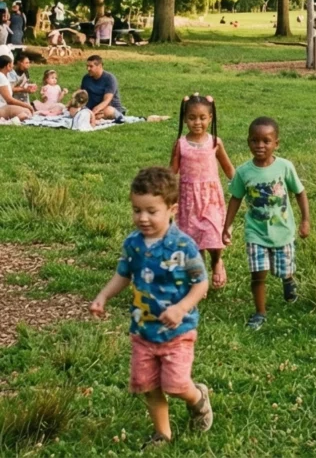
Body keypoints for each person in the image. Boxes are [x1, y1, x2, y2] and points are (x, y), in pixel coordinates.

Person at [90, 167, 213, 447]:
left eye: (151, 211)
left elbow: (201, 284)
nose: (142, 218)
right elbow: (123, 274)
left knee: (177, 384)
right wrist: (103, 296)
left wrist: (182, 308)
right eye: (136, 210)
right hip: (143, 330)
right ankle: (162, 434)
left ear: (172, 209)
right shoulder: (133, 244)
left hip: (177, 330)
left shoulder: (183, 245)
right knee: (148, 386)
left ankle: (197, 399)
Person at [222, 117, 310, 331]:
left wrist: (306, 220)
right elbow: (235, 198)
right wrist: (227, 225)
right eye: (255, 141)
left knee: (282, 270)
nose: (260, 146)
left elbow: (299, 192)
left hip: (283, 231)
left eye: (266, 141)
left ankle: (288, 280)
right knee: (258, 274)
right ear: (248, 142)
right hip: (256, 233)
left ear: (276, 143)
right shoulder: (243, 172)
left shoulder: (284, 167)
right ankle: (260, 312)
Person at [171, 94, 235, 289]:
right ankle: (199, 278)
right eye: (192, 118)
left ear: (210, 118)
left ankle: (217, 262)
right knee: (194, 238)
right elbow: (172, 172)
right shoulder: (180, 144)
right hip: (188, 199)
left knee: (213, 232)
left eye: (202, 118)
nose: (197, 122)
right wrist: (165, 196)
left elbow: (229, 169)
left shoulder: (215, 142)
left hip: (211, 197)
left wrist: (243, 187)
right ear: (184, 119)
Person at [80, 54, 125, 120]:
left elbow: (106, 101)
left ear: (100, 66)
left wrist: (93, 112)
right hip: (91, 108)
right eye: (87, 66)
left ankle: (92, 117)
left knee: (108, 111)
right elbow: (81, 94)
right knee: (74, 110)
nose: (88, 69)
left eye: (91, 66)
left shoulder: (109, 78)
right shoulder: (86, 78)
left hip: (107, 108)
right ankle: (91, 117)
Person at [0, 55, 33, 121]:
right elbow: (9, 100)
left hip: (4, 106)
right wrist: (27, 105)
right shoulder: (1, 77)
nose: (13, 66)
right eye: (12, 64)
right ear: (8, 65)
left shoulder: (4, 76)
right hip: (2, 107)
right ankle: (9, 122)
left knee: (27, 111)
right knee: (26, 112)